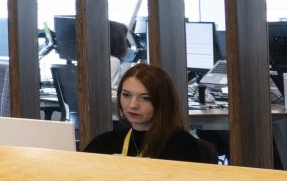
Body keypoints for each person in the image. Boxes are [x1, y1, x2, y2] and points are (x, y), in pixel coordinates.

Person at [84, 63, 214, 162]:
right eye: (126, 95)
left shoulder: (182, 146)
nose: (133, 105)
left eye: (145, 98)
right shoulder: (104, 143)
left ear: (162, 101)